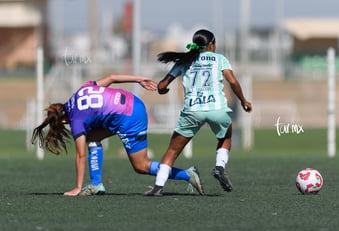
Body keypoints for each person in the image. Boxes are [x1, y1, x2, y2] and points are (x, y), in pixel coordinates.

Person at [31, 74, 204, 196]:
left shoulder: (75, 119)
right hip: (132, 101)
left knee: (141, 166)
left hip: (130, 117)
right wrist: (139, 80)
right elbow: (112, 77)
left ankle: (187, 175)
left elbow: (81, 156)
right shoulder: (82, 90)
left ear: (62, 121)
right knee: (93, 137)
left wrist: (77, 187)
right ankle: (96, 184)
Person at [145, 29, 252, 196]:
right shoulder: (219, 59)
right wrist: (243, 100)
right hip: (216, 109)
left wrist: (163, 91)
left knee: (172, 151)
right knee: (226, 137)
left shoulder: (184, 61)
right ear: (211, 45)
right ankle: (219, 167)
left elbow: (161, 86)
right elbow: (233, 82)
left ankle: (158, 187)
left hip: (192, 110)